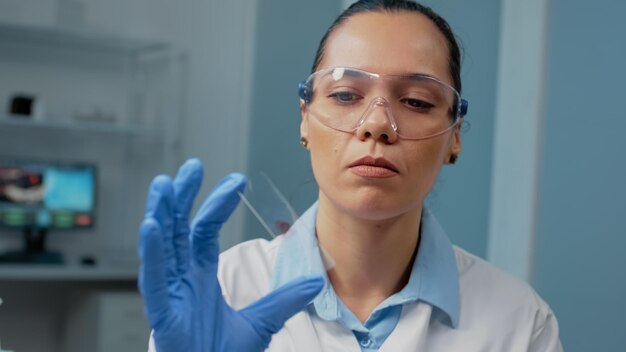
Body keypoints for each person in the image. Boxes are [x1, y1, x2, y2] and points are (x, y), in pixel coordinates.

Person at [138, 1, 563, 351]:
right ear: (305, 120)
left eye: (415, 101)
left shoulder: (520, 323)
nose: (376, 125)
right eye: (344, 95)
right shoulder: (224, 290)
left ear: (454, 136)